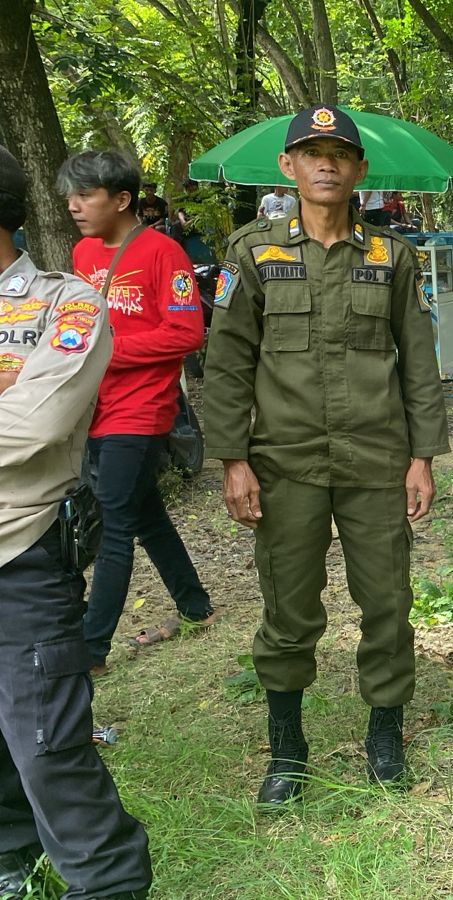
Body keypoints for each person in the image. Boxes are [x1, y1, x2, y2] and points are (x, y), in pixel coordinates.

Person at [203, 106, 449, 807]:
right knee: (288, 607)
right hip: (284, 460)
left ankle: (385, 734)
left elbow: (419, 365)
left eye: (339, 153)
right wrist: (232, 459)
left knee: (387, 602)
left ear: (360, 170)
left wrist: (423, 456)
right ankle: (287, 748)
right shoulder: (252, 252)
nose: (326, 164)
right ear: (288, 167)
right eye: (311, 153)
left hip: (377, 457)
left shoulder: (390, 257)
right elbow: (226, 364)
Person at [0, 144, 153, 900]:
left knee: (46, 744)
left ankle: (107, 882)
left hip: (19, 552)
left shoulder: (62, 303)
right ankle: (10, 855)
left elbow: (31, 428)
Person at [60, 151, 214, 674]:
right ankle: (196, 605)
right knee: (145, 513)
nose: (74, 205)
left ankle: (92, 648)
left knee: (116, 523)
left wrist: (107, 352)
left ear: (122, 200)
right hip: (95, 408)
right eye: (71, 196)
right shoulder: (83, 253)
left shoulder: (162, 252)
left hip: (142, 410)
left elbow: (186, 332)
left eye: (86, 195)